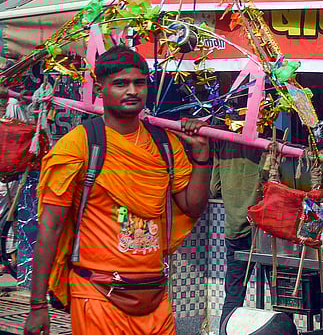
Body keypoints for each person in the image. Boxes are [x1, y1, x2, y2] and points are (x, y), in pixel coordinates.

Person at [25, 45, 212, 335]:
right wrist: (38, 305)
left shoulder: (165, 144)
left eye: (139, 83)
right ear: (101, 89)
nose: (132, 91)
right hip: (97, 294)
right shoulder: (79, 145)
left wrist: (201, 158)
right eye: (121, 83)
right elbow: (50, 227)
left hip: (155, 294)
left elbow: (193, 207)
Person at [215, 139, 265, 328]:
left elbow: (214, 187)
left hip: (235, 228)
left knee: (234, 293)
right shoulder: (270, 140)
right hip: (266, 229)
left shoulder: (223, 140)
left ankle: (224, 331)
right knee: (280, 295)